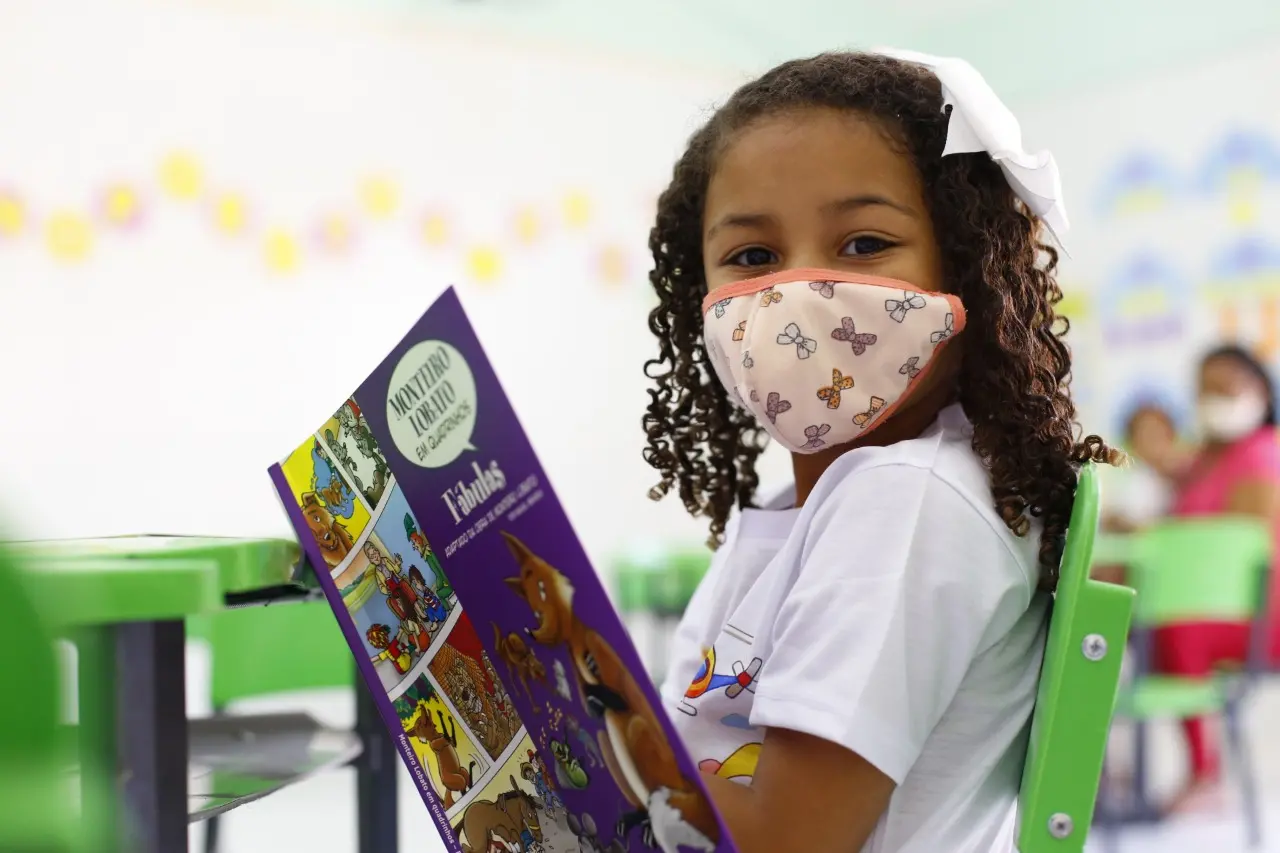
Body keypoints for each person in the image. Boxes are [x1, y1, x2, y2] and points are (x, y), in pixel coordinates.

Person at [644, 51, 1117, 853]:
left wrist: (595, 737)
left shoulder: (907, 502)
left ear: (968, 266)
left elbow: (788, 839)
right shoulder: (811, 509)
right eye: (752, 257)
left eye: (864, 242)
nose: (798, 293)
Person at [1154, 344, 1280, 811]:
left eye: (1225, 388)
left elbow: (1239, 549)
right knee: (1132, 624)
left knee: (1173, 629)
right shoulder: (1204, 460)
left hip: (1259, 612)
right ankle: (1111, 770)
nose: (1213, 400)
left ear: (1260, 391)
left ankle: (1204, 771)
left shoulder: (1263, 453)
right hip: (1205, 609)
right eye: (1204, 390)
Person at [1100, 402, 1180, 535]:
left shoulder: (1179, 477)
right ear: (1133, 442)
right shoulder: (1134, 483)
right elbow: (1117, 520)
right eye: (1147, 435)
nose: (1155, 442)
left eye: (1160, 433)